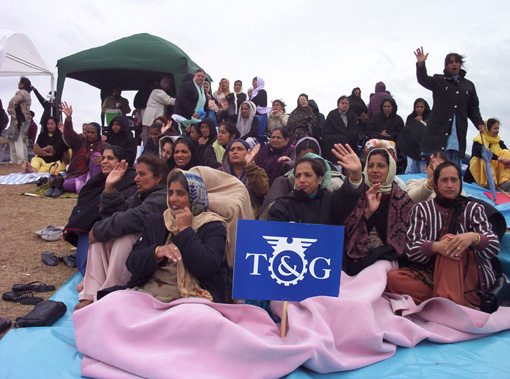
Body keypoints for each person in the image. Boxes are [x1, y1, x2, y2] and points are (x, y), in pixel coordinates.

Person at [386, 162, 500, 308]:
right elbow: (411, 250)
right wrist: (435, 247)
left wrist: (473, 237)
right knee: (393, 279)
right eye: (444, 180)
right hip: (432, 274)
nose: (449, 185)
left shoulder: (473, 209)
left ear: (460, 182)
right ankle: (456, 302)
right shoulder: (421, 209)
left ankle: (446, 305)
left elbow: (493, 246)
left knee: (451, 243)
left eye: (454, 180)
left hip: (467, 276)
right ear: (436, 184)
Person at [75, 154, 169, 310]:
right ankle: (91, 294)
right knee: (100, 240)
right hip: (142, 248)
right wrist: (109, 188)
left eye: (142, 174)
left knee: (124, 236)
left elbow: (134, 218)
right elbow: (116, 215)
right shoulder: (140, 196)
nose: (136, 179)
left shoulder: (162, 196)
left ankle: (110, 293)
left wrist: (99, 229)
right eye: (137, 173)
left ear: (158, 177)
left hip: (155, 252)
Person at [125, 169, 228, 303]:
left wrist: (185, 230)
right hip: (149, 291)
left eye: (180, 193)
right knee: (109, 306)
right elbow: (132, 263)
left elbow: (207, 267)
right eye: (170, 193)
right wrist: (156, 252)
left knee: (193, 319)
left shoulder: (212, 226)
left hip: (191, 296)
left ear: (194, 197)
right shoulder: (158, 221)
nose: (173, 198)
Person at [62, 146, 137, 275]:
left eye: (110, 158)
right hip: (90, 229)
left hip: (113, 230)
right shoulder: (95, 182)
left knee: (90, 270)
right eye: (103, 158)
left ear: (122, 162)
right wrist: (73, 225)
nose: (104, 161)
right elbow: (83, 208)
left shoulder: (132, 181)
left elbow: (122, 210)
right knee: (84, 267)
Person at [343, 148, 413, 276]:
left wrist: (379, 254)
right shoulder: (357, 195)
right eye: (370, 166)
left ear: (390, 169)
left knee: (378, 271)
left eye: (381, 166)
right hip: (358, 258)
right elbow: (348, 237)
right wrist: (369, 212)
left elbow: (402, 246)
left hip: (387, 258)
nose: (374, 170)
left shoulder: (402, 200)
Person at [414, 47, 485, 167]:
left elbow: (473, 109)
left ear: (460, 65)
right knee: (436, 165)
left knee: (453, 166)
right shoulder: (438, 80)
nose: (454, 64)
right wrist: (421, 64)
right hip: (438, 131)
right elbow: (423, 79)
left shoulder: (469, 86)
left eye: (457, 62)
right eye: (451, 62)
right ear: (446, 65)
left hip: (457, 132)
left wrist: (479, 123)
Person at [267, 144, 363, 225]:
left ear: (319, 179)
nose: (301, 180)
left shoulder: (331, 202)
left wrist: (356, 173)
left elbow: (348, 194)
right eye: (298, 176)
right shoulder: (282, 206)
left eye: (308, 175)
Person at [60, 102, 107, 194]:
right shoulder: (80, 140)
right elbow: (69, 135)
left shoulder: (104, 145)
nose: (89, 134)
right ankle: (89, 188)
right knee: (67, 185)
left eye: (92, 132)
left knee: (97, 155)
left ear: (98, 133)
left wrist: (103, 159)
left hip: (95, 176)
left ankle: (93, 185)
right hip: (78, 175)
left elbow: (113, 157)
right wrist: (68, 119)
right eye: (87, 131)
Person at [222, 139, 269, 214]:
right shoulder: (220, 173)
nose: (235, 152)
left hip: (249, 215)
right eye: (232, 149)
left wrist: (250, 165)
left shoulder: (258, 171)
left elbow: (262, 190)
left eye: (240, 149)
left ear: (248, 153)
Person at [467, 118, 510, 191]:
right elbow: (482, 152)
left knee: (506, 152)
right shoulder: (479, 140)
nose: (497, 131)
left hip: (496, 170)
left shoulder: (499, 142)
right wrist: (498, 159)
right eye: (495, 128)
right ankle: (490, 183)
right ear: (488, 129)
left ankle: (503, 181)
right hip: (482, 174)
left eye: (498, 128)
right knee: (484, 157)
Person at [397, 98, 431, 174]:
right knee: (411, 169)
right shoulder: (411, 117)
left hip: (425, 149)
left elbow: (430, 129)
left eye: (421, 107)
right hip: (411, 148)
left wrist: (421, 122)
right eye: (417, 107)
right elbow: (407, 130)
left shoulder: (430, 117)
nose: (419, 109)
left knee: (424, 170)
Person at [3, 77, 32, 164]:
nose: (18, 84)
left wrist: (10, 110)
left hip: (19, 119)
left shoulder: (22, 93)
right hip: (22, 118)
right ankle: (17, 159)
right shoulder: (27, 93)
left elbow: (13, 101)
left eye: (19, 83)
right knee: (17, 138)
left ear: (22, 84)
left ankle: (18, 159)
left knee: (18, 138)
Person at [322, 96, 359, 162]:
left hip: (347, 137)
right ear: (338, 105)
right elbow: (326, 129)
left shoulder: (352, 115)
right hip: (332, 135)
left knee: (345, 140)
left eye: (347, 103)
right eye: (343, 103)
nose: (345, 105)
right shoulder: (332, 114)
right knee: (327, 141)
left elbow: (354, 130)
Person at [142, 76, 176, 144]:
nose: (168, 88)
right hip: (150, 122)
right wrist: (182, 100)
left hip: (152, 121)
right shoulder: (157, 91)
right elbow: (169, 101)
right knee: (149, 140)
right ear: (164, 83)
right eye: (167, 86)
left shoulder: (159, 92)